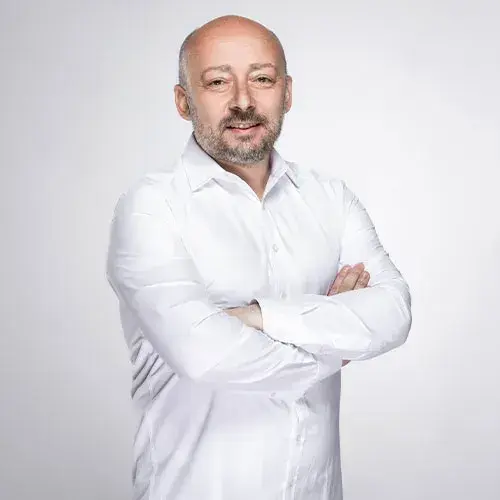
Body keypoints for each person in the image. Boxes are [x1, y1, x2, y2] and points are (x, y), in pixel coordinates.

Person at [106, 14, 412, 500]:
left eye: (262, 79)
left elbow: (393, 312)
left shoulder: (330, 199)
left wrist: (255, 316)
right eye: (218, 82)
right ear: (184, 101)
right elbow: (204, 355)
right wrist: (336, 343)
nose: (243, 101)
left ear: (286, 92)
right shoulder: (150, 207)